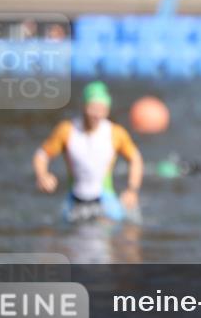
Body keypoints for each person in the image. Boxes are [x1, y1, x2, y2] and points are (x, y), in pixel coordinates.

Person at [33, 81, 144, 224]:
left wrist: (132, 190)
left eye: (102, 109)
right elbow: (41, 155)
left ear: (107, 110)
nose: (97, 114)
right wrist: (42, 175)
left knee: (114, 228)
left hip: (105, 199)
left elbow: (136, 158)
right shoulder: (66, 130)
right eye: (93, 108)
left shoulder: (116, 133)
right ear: (84, 107)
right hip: (75, 197)